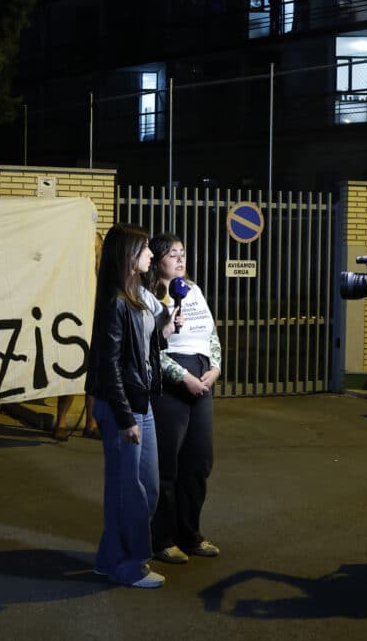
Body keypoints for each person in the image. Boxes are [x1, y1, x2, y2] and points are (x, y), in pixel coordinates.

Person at [84, 223, 174, 588]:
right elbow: (110, 366)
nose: (152, 254)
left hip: (139, 403)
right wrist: (125, 417)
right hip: (123, 407)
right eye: (145, 249)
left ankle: (109, 559)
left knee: (141, 487)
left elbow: (142, 349)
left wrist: (163, 333)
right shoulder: (116, 302)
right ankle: (129, 566)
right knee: (132, 491)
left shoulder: (135, 294)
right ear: (129, 255)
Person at [145, 233, 223, 565]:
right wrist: (183, 377)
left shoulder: (194, 289)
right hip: (172, 381)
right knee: (167, 465)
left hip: (202, 375)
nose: (180, 259)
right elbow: (149, 349)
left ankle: (190, 534)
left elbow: (211, 333)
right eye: (172, 254)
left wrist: (216, 367)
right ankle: (161, 539)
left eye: (183, 253)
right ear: (157, 260)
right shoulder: (149, 296)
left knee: (199, 461)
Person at [53, 232, 104, 441]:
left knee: (94, 379)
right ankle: (61, 422)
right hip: (75, 329)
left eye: (96, 247)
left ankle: (91, 424)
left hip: (96, 328)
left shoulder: (102, 275)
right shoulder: (73, 273)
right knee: (71, 374)